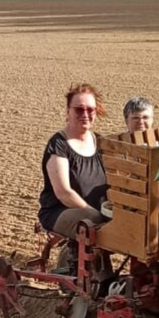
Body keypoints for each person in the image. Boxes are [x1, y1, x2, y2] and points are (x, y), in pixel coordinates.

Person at [39, 84, 109, 238]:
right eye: (79, 109)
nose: (85, 114)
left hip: (98, 210)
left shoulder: (101, 141)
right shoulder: (59, 145)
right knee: (92, 221)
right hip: (60, 211)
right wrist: (95, 212)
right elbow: (64, 193)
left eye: (90, 110)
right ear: (68, 111)